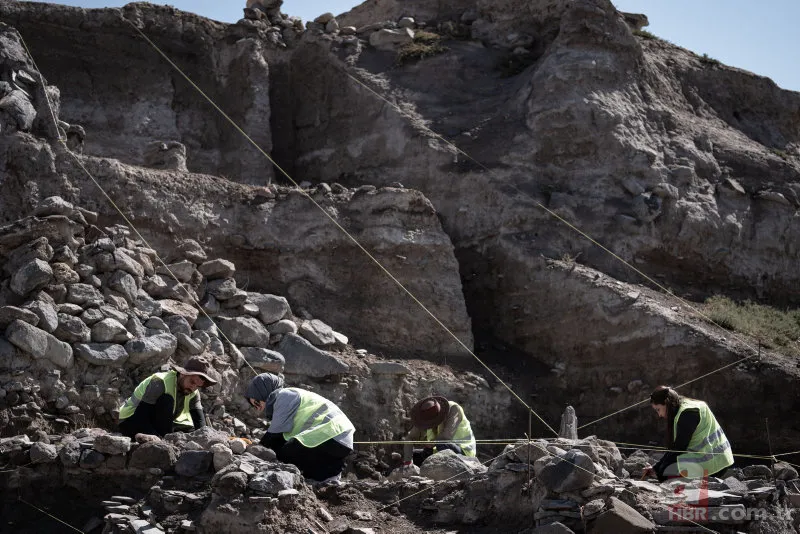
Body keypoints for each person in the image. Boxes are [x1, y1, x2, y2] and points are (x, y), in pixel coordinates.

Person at [245, 373, 355, 483]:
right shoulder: (294, 394)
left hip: (330, 435)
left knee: (284, 453)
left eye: (257, 402)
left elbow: (273, 438)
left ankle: (331, 471)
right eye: (254, 406)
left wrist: (253, 451)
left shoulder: (284, 395)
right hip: (342, 439)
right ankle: (329, 474)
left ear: (264, 392)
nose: (258, 409)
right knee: (291, 451)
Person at [118, 355, 219, 443]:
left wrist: (205, 441)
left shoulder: (193, 392)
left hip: (157, 423)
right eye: (192, 382)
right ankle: (159, 439)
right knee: (167, 400)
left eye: (198, 386)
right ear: (183, 373)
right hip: (130, 420)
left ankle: (162, 437)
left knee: (190, 431)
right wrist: (161, 439)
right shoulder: (160, 382)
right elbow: (141, 415)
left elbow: (199, 421)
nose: (193, 388)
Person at [643, 386, 733, 481]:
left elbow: (679, 448)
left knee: (667, 472)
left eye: (658, 409)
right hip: (721, 458)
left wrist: (660, 472)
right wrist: (655, 468)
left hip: (714, 463)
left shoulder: (687, 414)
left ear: (666, 403)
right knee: (665, 469)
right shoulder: (685, 406)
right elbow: (675, 449)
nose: (659, 415)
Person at [402, 395, 476, 467]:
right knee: (414, 455)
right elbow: (410, 438)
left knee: (441, 444)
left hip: (463, 451)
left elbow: (446, 436)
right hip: (438, 450)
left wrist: (431, 443)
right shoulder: (423, 416)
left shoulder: (454, 409)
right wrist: (408, 461)